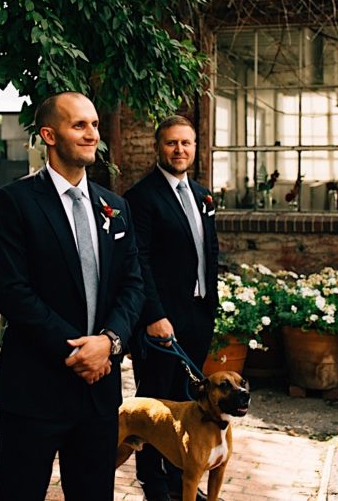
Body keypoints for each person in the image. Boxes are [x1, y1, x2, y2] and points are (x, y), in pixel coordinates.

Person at [0, 91, 145, 500]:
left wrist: (108, 344)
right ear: (49, 135)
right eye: (80, 125)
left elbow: (133, 285)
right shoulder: (12, 203)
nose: (93, 134)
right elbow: (12, 293)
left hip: (99, 393)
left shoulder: (115, 207)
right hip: (34, 388)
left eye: (94, 124)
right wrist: (80, 353)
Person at [124, 115, 220, 501]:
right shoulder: (141, 197)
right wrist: (153, 316)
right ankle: (152, 482)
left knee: (189, 404)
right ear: (157, 148)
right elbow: (138, 262)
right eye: (171, 143)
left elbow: (209, 252)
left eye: (186, 143)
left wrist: (212, 304)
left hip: (198, 314)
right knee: (154, 404)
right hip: (161, 320)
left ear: (195, 148)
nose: (179, 150)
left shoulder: (202, 195)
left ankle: (183, 478)